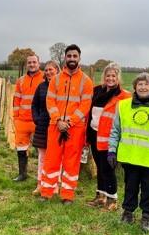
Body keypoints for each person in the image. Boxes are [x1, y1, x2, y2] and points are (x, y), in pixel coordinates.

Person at [107, 73, 149, 231]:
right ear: (135, 87)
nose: (143, 87)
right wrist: (112, 151)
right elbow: (115, 131)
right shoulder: (123, 106)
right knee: (130, 186)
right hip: (130, 156)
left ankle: (147, 216)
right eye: (140, 84)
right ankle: (128, 212)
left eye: (146, 84)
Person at [40, 44, 93, 204]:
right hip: (56, 126)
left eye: (74, 56)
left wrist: (69, 122)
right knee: (51, 159)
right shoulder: (55, 79)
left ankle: (67, 195)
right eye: (69, 56)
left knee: (71, 162)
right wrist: (58, 120)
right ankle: (47, 192)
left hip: (75, 129)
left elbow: (85, 106)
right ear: (65, 57)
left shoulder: (86, 81)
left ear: (79, 58)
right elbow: (50, 101)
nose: (71, 59)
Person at [86, 62, 131, 210]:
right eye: (108, 75)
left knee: (108, 168)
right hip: (94, 134)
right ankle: (100, 196)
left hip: (109, 138)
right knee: (99, 167)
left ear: (118, 78)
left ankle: (112, 199)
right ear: (103, 77)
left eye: (113, 76)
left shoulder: (124, 96)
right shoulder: (97, 91)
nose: (110, 78)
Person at [12, 54, 44, 181]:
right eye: (29, 62)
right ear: (27, 64)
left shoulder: (44, 78)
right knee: (21, 148)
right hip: (22, 120)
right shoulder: (20, 80)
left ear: (38, 63)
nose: (32, 64)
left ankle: (42, 177)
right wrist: (16, 117)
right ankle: (22, 174)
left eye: (34, 62)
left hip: (38, 121)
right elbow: (16, 99)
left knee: (42, 150)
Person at [31, 60, 60, 194]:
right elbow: (34, 105)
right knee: (42, 156)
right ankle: (40, 183)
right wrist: (37, 119)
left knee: (56, 157)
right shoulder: (41, 87)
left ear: (57, 70)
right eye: (46, 70)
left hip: (57, 126)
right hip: (42, 126)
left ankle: (55, 184)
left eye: (51, 69)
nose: (48, 72)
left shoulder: (62, 86)